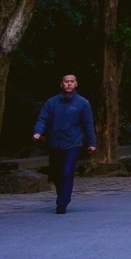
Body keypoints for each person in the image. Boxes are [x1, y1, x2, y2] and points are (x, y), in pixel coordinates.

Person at [32, 74, 96, 215]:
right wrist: (38, 132)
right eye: (66, 82)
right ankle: (61, 195)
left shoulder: (82, 103)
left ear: (76, 84)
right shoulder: (52, 102)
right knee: (56, 174)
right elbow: (43, 119)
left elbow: (88, 125)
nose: (69, 84)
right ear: (61, 84)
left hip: (72, 144)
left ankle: (63, 202)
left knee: (67, 172)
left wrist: (91, 143)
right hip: (54, 143)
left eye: (71, 82)